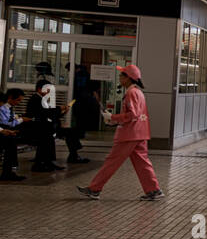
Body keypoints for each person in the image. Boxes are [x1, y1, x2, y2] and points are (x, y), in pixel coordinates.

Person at [76, 65, 163, 200]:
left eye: (122, 75)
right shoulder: (138, 92)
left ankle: (94, 189)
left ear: (129, 78)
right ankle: (153, 190)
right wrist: (112, 120)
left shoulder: (131, 93)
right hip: (139, 133)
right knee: (142, 163)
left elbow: (132, 115)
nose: (120, 78)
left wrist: (112, 118)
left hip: (129, 135)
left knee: (112, 162)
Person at [25, 79, 66, 172]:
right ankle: (40, 164)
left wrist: (61, 112)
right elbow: (45, 112)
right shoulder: (36, 99)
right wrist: (59, 109)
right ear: (40, 89)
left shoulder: (41, 99)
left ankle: (48, 162)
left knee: (49, 136)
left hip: (41, 126)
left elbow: (49, 113)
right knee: (46, 136)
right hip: (35, 127)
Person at [64, 65, 97, 164]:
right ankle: (73, 155)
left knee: (72, 132)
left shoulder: (79, 76)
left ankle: (73, 154)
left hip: (78, 107)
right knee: (74, 132)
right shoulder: (84, 75)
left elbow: (78, 93)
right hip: (83, 107)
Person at [1, 88, 28, 181]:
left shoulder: (8, 108)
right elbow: (8, 122)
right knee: (10, 142)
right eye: (18, 100)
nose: (19, 102)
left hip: (4, 131)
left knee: (12, 140)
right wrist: (21, 120)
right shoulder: (3, 107)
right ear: (10, 98)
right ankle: (8, 171)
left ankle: (8, 171)